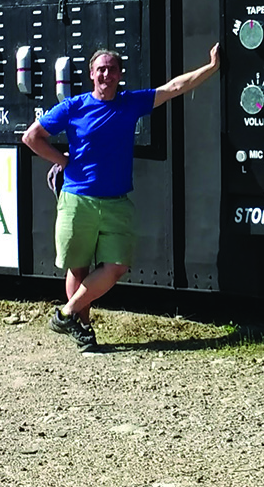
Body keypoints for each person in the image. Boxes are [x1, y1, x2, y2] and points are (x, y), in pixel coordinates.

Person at [22, 44, 221, 350]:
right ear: (91, 74)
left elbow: (175, 87)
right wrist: (62, 162)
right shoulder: (73, 107)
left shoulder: (131, 103)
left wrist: (210, 67)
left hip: (116, 201)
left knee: (116, 266)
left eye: (111, 69)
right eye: (100, 69)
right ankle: (83, 330)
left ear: (119, 75)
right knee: (78, 268)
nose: (106, 74)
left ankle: (66, 313)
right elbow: (32, 137)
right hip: (77, 199)